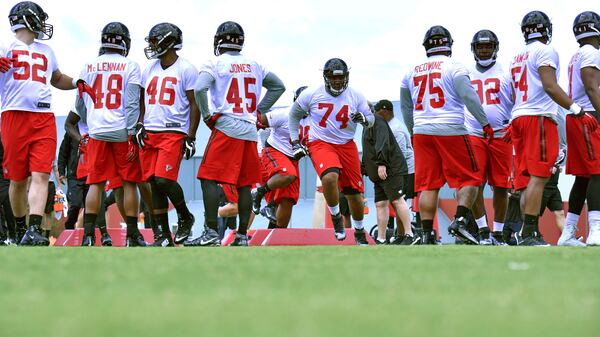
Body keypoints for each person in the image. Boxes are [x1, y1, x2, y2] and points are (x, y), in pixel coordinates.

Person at [0, 1, 95, 245]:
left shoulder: (47, 50)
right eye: (39, 18)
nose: (43, 24)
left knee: (41, 174)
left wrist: (77, 82)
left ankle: (33, 229)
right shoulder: (4, 46)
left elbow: (56, 78)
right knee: (18, 180)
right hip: (13, 115)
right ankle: (19, 229)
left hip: (43, 117)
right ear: (28, 18)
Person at [506, 11, 597, 246]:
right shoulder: (546, 50)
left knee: (529, 180)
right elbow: (549, 85)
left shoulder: (517, 55)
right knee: (539, 177)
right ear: (546, 29)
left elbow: (514, 92)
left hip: (519, 116)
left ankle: (528, 232)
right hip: (537, 117)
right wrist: (575, 108)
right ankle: (529, 233)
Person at [191, 21, 285, 246]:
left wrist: (206, 115)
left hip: (227, 127)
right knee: (244, 184)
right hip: (249, 130)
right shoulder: (255, 64)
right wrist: (259, 109)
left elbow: (199, 88)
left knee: (208, 178)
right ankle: (242, 235)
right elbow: (278, 87)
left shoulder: (214, 63)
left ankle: (211, 231)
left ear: (219, 40)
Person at [401, 25, 492, 245]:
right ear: (448, 44)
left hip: (422, 131)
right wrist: (484, 122)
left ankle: (425, 234)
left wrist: (414, 129)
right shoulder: (455, 67)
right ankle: (460, 220)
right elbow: (468, 96)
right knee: (471, 177)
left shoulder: (411, 71)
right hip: (450, 128)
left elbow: (406, 107)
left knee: (428, 185)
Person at [289, 58, 374, 245]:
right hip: (321, 142)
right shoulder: (311, 94)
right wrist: (295, 142)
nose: (337, 81)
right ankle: (336, 218)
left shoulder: (356, 95)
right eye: (333, 77)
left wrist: (365, 119)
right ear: (325, 77)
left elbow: (371, 118)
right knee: (329, 177)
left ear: (346, 77)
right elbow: (293, 115)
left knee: (354, 193)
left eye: (341, 77)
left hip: (347, 144)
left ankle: (359, 230)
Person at [76, 22, 146, 247]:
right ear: (124, 42)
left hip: (97, 131)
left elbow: (79, 105)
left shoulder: (87, 66)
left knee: (95, 183)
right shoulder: (131, 65)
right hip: (121, 131)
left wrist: (92, 122)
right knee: (129, 183)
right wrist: (133, 131)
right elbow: (133, 103)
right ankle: (133, 235)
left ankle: (87, 235)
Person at [134, 22, 200, 247]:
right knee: (153, 183)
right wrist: (140, 123)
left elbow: (195, 103)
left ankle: (185, 215)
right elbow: (143, 100)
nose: (152, 46)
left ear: (168, 42)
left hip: (173, 131)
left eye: (155, 41)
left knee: (164, 179)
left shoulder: (187, 68)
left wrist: (191, 136)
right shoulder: (149, 69)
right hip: (150, 131)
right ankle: (162, 234)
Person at [465, 29, 514, 245]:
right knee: (475, 182)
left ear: (495, 48)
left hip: (501, 134)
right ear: (473, 49)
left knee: (501, 185)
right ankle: (483, 231)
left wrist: (513, 121)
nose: (484, 50)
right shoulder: (465, 72)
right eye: (480, 47)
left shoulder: (507, 71)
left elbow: (518, 99)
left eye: (488, 46)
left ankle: (499, 232)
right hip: (474, 133)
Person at [563, 11, 600, 246]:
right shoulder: (591, 52)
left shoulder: (578, 54)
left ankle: (568, 232)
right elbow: (591, 87)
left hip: (577, 117)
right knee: (598, 173)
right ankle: (596, 230)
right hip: (589, 115)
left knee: (583, 177)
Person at [251, 86, 309, 228]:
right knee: (287, 174)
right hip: (275, 151)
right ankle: (258, 194)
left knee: (287, 200)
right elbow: (256, 123)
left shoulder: (318, 120)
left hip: (293, 160)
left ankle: (277, 238)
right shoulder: (284, 114)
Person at [363, 100, 418, 245]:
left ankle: (410, 234)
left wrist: (382, 164)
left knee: (397, 200)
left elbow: (387, 147)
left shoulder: (379, 123)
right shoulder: (367, 125)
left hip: (392, 170)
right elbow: (369, 149)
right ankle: (381, 238)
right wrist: (365, 168)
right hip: (380, 172)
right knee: (380, 203)